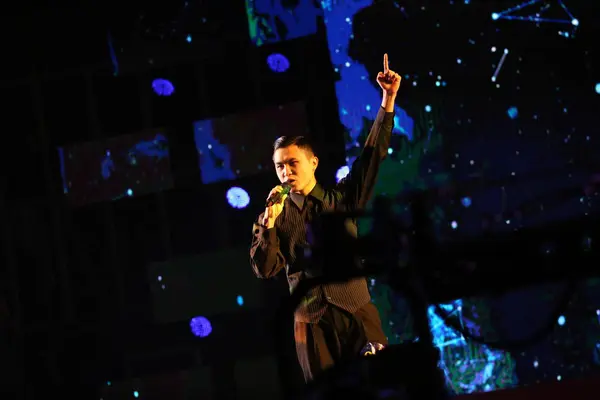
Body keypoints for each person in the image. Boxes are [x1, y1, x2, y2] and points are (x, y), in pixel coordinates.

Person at [250, 53, 401, 382]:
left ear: (313, 163)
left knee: (380, 384)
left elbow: (371, 157)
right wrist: (268, 227)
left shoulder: (341, 198)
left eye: (293, 164)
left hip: (356, 311)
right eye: (280, 166)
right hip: (311, 325)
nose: (286, 172)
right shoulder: (270, 215)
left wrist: (387, 101)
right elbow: (265, 268)